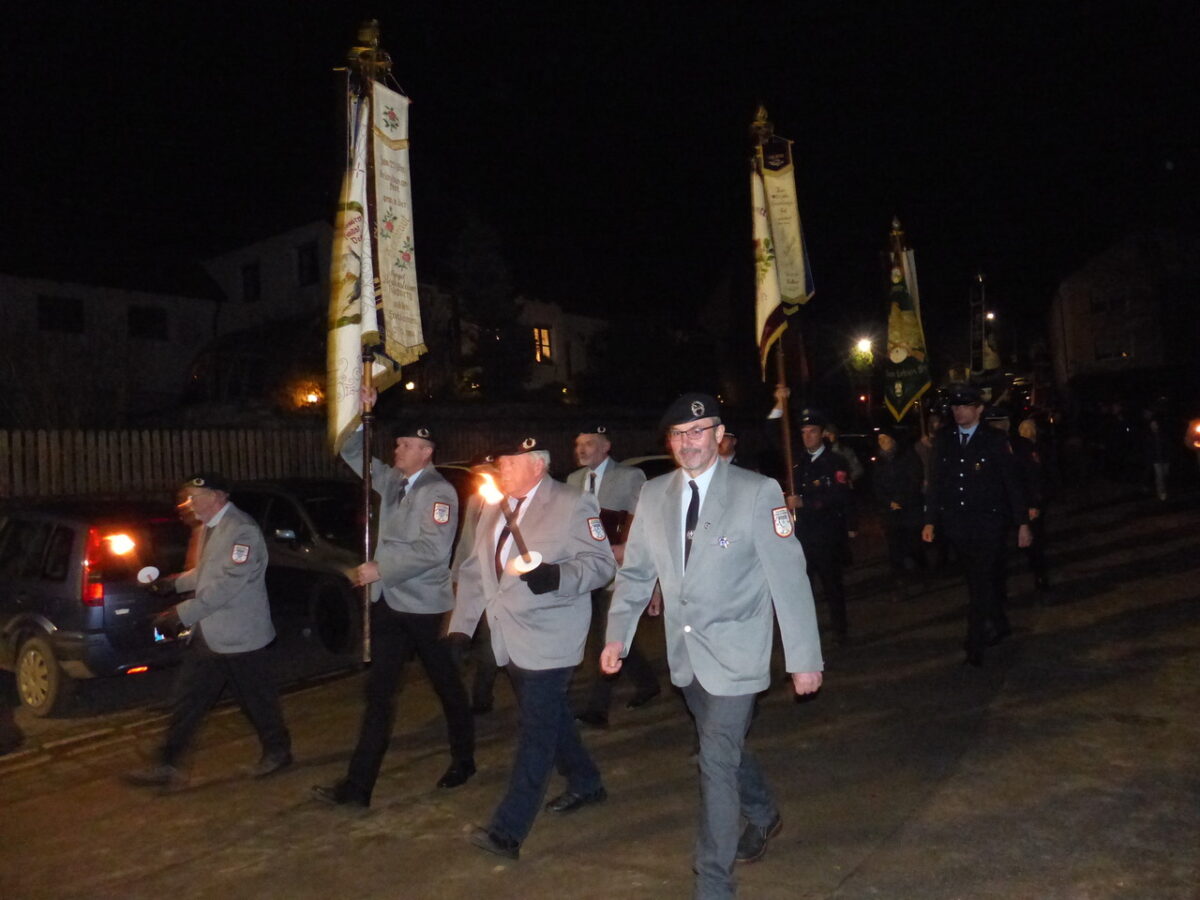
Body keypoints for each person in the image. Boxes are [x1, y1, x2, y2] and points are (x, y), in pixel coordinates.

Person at [602, 392, 823, 900]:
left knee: (714, 762)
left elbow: (788, 580)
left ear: (719, 436)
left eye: (698, 432)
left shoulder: (756, 491)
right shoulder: (654, 495)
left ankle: (714, 885)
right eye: (678, 435)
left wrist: (804, 660)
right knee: (723, 745)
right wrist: (618, 634)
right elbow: (635, 573)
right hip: (685, 656)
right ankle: (764, 812)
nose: (688, 443)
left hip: (738, 651)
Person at [450, 437, 616, 861]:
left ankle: (508, 831)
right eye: (500, 463)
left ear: (536, 466)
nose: (500, 470)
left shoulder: (572, 503)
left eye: (508, 462)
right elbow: (473, 570)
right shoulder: (494, 505)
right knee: (551, 717)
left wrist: (558, 575)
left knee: (536, 732)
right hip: (509, 638)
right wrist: (461, 628)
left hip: (551, 637)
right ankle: (585, 781)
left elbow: (601, 565)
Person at [312, 401, 475, 810]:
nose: (396, 450)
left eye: (405, 445)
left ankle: (464, 759)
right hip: (390, 605)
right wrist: (358, 411)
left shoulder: (438, 492)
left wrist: (380, 568)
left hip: (425, 608)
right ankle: (358, 786)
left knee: (447, 687)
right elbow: (352, 453)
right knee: (379, 694)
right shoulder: (393, 483)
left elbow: (432, 550)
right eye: (397, 443)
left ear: (427, 450)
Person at [126, 473, 292, 787]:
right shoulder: (211, 527)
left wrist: (181, 613)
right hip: (211, 633)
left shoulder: (242, 531)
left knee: (257, 701)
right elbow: (207, 572)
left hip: (241, 636)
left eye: (194, 496)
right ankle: (168, 764)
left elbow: (227, 584)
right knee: (188, 698)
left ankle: (278, 751)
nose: (188, 503)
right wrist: (173, 583)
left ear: (217, 497)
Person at [922, 385, 1031, 667]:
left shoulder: (995, 440)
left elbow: (1012, 484)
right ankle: (1000, 623)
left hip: (989, 522)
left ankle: (975, 640)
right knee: (977, 578)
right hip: (958, 523)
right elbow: (936, 482)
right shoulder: (945, 439)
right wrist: (931, 520)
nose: (958, 411)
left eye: (965, 406)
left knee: (980, 580)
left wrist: (1022, 523)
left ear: (979, 409)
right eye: (955, 407)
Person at [567, 424, 658, 727]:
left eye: (589, 443)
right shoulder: (573, 480)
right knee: (610, 634)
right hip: (585, 567)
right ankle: (647, 683)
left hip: (617, 568)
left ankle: (598, 707)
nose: (582, 449)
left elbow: (641, 515)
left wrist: (627, 546)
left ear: (606, 447)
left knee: (603, 636)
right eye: (579, 443)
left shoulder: (629, 476)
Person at [791, 408, 858, 645]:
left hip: (828, 535)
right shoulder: (798, 463)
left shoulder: (835, 462)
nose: (807, 436)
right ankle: (808, 633)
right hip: (804, 536)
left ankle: (841, 631)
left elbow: (840, 496)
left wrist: (806, 502)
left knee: (832, 587)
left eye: (812, 431)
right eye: (803, 432)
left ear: (822, 434)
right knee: (803, 589)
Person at [871, 429, 924, 600]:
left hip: (909, 509)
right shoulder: (879, 462)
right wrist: (888, 502)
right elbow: (876, 485)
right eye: (880, 440)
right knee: (895, 549)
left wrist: (902, 499)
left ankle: (920, 574)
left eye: (885, 439)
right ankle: (900, 583)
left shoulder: (908, 456)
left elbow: (914, 480)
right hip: (890, 512)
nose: (882, 443)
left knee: (913, 545)